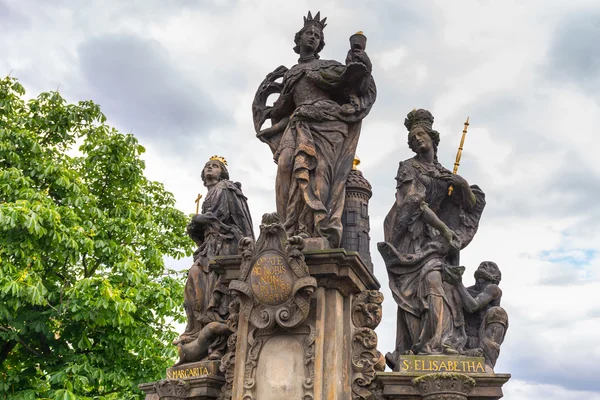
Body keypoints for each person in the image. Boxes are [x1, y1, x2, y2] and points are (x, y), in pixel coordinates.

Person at [255, 12, 377, 248]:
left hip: (329, 124)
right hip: (298, 124)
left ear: (320, 44)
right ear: (298, 39)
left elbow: (354, 83)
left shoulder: (327, 66)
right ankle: (286, 226)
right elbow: (283, 108)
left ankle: (318, 229)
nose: (312, 37)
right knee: (285, 165)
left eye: (317, 35)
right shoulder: (291, 73)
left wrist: (361, 60)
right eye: (308, 34)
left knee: (321, 171)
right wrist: (268, 121)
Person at [378, 109, 486, 370]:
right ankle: (428, 346)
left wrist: (460, 184)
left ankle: (439, 343)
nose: (416, 139)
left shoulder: (444, 173)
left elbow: (469, 205)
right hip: (411, 236)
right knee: (429, 282)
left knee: (444, 285)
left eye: (420, 134)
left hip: (436, 241)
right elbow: (414, 202)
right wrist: (444, 230)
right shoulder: (408, 168)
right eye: (412, 137)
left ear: (432, 138)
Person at [173, 156, 254, 363]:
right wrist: (196, 227)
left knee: (217, 288)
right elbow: (204, 230)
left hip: (226, 246)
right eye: (207, 166)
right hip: (209, 248)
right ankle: (196, 330)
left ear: (222, 173)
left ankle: (217, 341)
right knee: (194, 278)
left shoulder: (225, 188)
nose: (210, 168)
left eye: (215, 166)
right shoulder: (209, 194)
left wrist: (204, 219)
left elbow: (223, 216)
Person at [444, 261, 508, 371]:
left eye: (491, 266)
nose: (485, 265)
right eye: (483, 264)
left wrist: (458, 283)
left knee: (498, 312)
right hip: (464, 339)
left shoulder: (493, 289)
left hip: (484, 340)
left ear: (496, 277)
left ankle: (487, 363)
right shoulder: (467, 291)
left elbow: (472, 306)